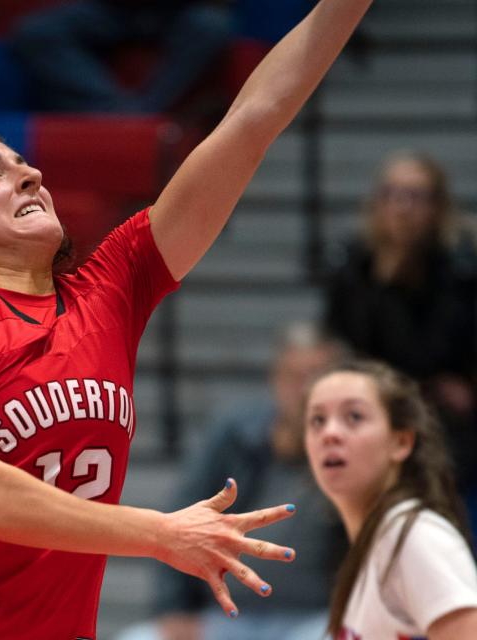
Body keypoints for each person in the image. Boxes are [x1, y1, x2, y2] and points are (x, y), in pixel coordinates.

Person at [0, 1, 373, 637]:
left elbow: (252, 119)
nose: (29, 176)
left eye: (23, 166)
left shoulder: (111, 289)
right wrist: (162, 533)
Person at [117, 323, 348, 640]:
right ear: (275, 378)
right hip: (226, 615)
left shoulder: (347, 449)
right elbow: (178, 518)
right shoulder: (236, 436)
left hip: (314, 617)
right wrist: (174, 611)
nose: (304, 389)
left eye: (317, 377)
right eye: (295, 376)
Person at [323, 151, 477, 502]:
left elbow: (432, 352)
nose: (403, 207)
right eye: (393, 194)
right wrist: (384, 282)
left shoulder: (460, 270)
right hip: (369, 408)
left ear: (438, 207)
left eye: (416, 196)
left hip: (447, 422)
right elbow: (346, 343)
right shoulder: (354, 266)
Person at [304, 360, 477, 639]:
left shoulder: (415, 534)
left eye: (354, 417)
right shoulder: (376, 540)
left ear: (401, 443)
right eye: (317, 420)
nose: (330, 433)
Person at [8, 0, 234, 113]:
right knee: (36, 33)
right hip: (115, 10)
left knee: (212, 25)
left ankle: (148, 109)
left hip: (179, 11)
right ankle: (117, 108)